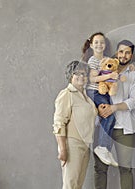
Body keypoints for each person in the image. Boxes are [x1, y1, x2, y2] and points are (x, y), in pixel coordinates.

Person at [94, 40, 135, 189]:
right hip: (102, 126)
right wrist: (100, 108)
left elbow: (133, 101)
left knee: (125, 168)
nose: (124, 55)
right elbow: (92, 90)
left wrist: (113, 108)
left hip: (125, 128)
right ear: (116, 53)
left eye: (127, 52)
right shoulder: (102, 69)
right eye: (121, 51)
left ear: (131, 55)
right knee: (100, 168)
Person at [52, 60, 97, 189]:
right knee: (70, 185)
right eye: (77, 73)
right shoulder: (67, 94)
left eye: (84, 74)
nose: (81, 76)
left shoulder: (85, 97)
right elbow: (59, 123)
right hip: (72, 145)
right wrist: (63, 149)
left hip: (86, 145)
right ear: (71, 75)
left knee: (78, 185)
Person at [82, 32, 118, 166]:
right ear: (91, 45)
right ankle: (102, 147)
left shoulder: (107, 59)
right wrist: (110, 76)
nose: (99, 45)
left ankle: (106, 150)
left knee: (110, 117)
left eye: (102, 42)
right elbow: (92, 79)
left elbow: (116, 68)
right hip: (94, 92)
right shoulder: (92, 60)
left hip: (104, 93)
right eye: (96, 42)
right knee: (109, 117)